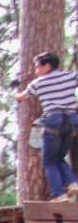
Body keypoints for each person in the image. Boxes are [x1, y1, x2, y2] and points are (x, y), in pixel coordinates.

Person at [14, 51, 78, 198]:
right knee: (59, 157)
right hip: (72, 120)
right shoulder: (70, 75)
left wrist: (14, 88)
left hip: (53, 120)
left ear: (46, 66)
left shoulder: (38, 83)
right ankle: (72, 183)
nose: (36, 71)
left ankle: (59, 195)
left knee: (49, 162)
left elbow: (20, 98)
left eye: (37, 67)